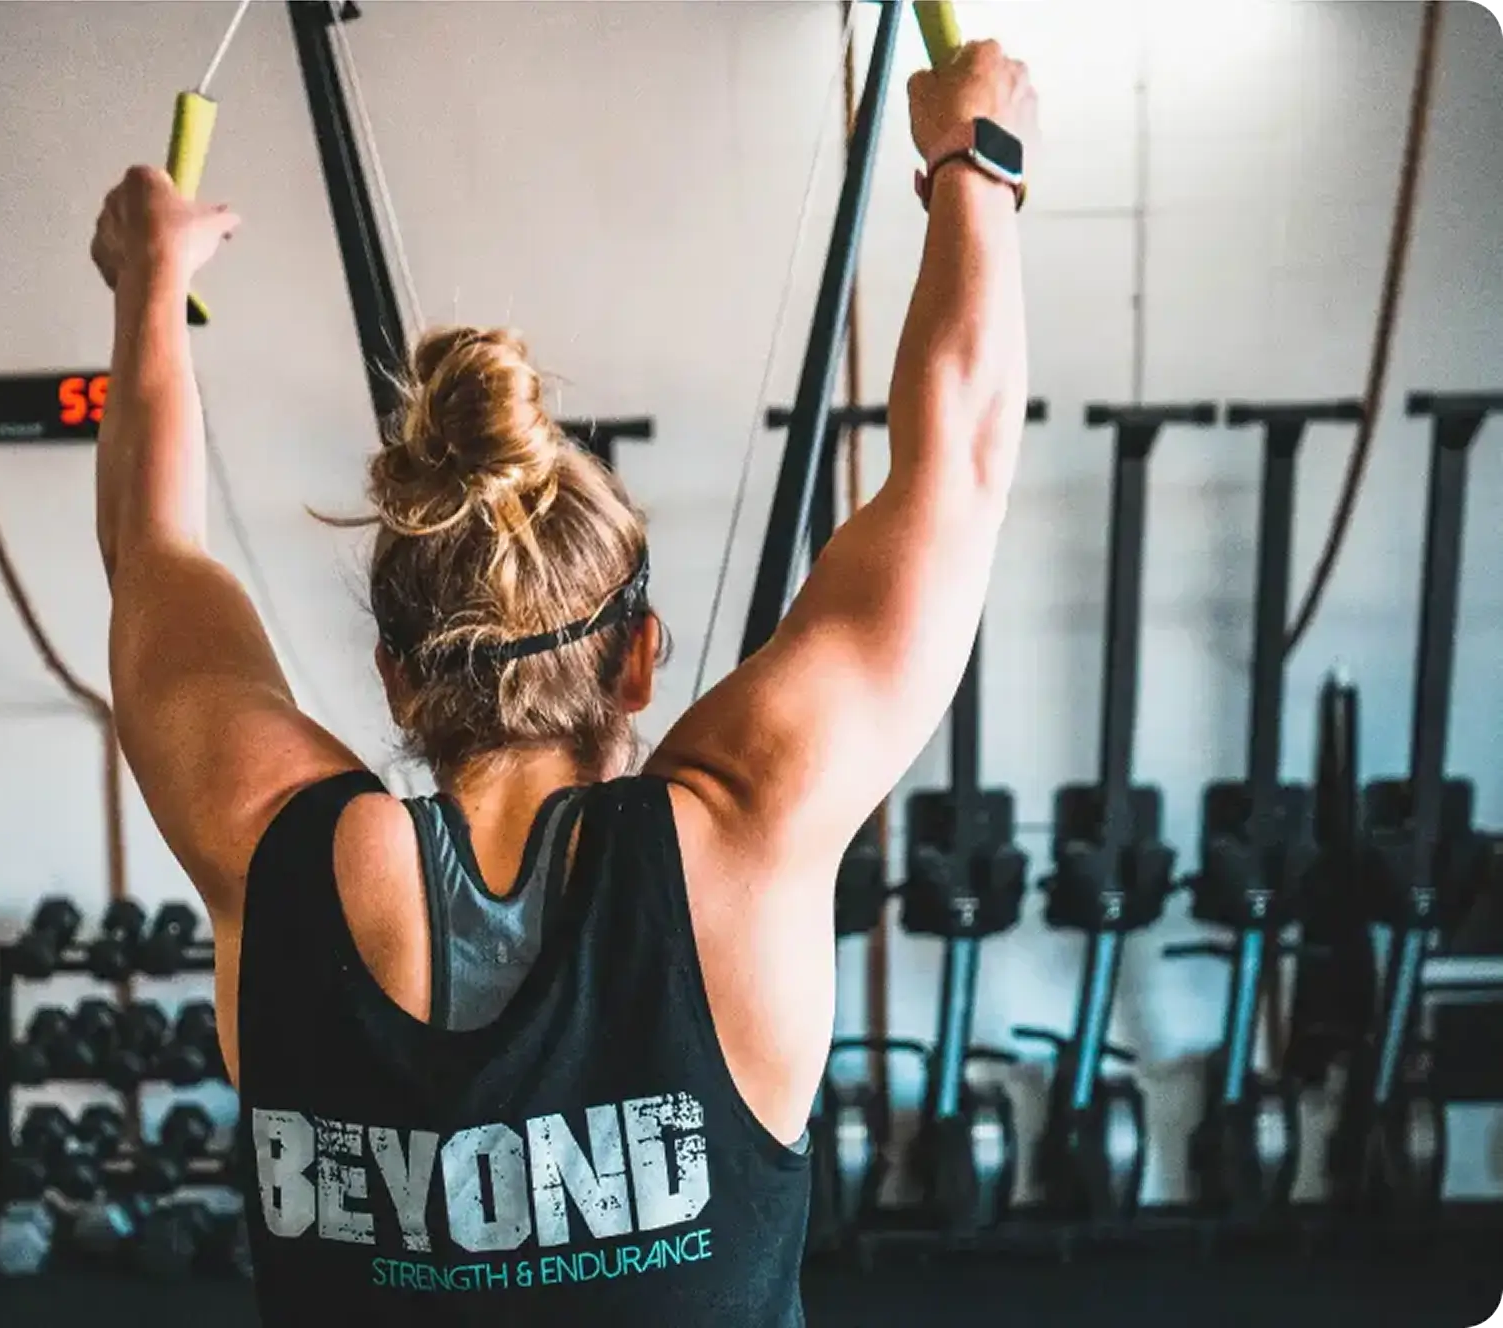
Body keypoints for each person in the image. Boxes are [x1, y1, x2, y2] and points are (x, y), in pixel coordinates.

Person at [91, 33, 1035, 1326]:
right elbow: (961, 469)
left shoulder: (279, 856)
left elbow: (149, 551)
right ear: (640, 661)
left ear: (396, 677)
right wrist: (974, 151)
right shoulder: (743, 845)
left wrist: (149, 280)